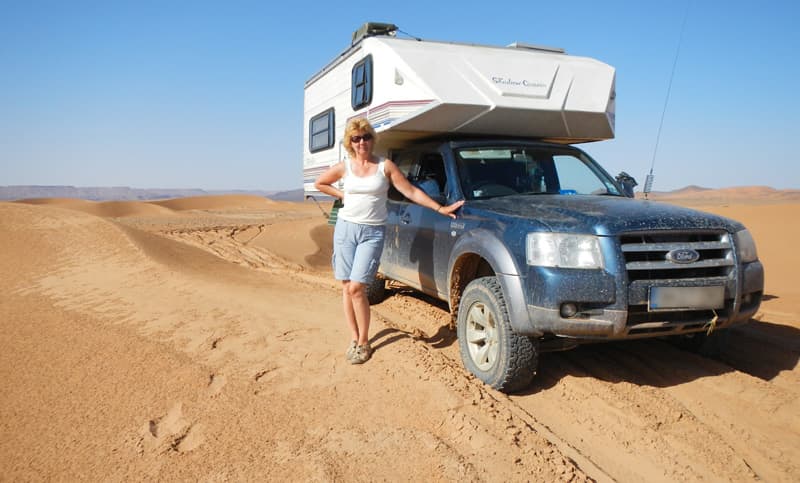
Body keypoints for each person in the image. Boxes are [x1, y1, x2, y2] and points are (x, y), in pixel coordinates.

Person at [314, 118, 464, 364]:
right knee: (345, 287)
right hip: (345, 229)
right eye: (356, 138)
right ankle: (354, 338)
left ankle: (364, 342)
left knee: (356, 287)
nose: (362, 142)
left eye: (366, 137)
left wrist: (440, 208)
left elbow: (411, 191)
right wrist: (343, 194)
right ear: (349, 142)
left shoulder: (385, 166)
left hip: (372, 232)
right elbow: (321, 183)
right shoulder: (345, 167)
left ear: (373, 139)